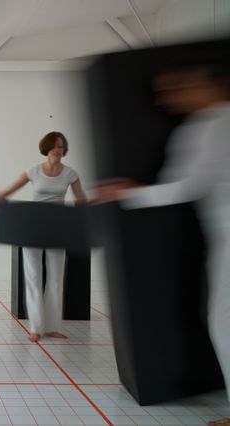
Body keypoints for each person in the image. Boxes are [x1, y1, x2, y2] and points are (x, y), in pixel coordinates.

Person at [97, 64, 230, 426]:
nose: (167, 98)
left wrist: (127, 193)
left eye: (178, 87)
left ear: (209, 83)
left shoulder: (211, 123)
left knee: (223, 321)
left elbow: (189, 185)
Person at [0, 132, 87, 342]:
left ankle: (52, 327)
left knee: (56, 277)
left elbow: (81, 200)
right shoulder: (33, 171)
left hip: (57, 229)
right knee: (33, 276)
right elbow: (9, 190)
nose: (57, 150)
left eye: (61, 146)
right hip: (33, 228)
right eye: (54, 146)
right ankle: (36, 328)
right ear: (46, 148)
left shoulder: (70, 174)